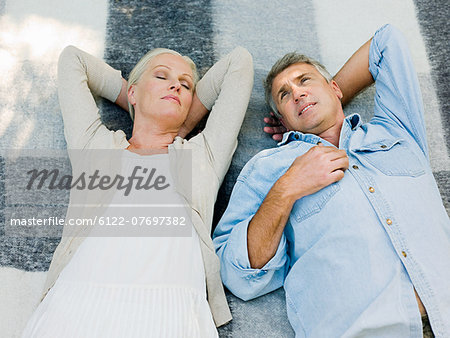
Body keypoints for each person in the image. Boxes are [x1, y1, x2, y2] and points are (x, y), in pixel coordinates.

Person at [213, 24, 450, 337]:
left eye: (305, 81)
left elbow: (386, 42)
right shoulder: (268, 169)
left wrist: (330, 101)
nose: (297, 92)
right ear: (282, 121)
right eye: (285, 95)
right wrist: (287, 189)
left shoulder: (396, 130)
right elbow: (237, 273)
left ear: (335, 88)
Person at [22, 43, 253, 337]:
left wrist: (182, 120)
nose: (175, 85)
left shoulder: (202, 155)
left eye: (186, 85)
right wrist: (137, 105)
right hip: (74, 308)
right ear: (133, 91)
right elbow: (72, 59)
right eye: (161, 77)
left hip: (172, 317)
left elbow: (239, 63)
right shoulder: (96, 147)